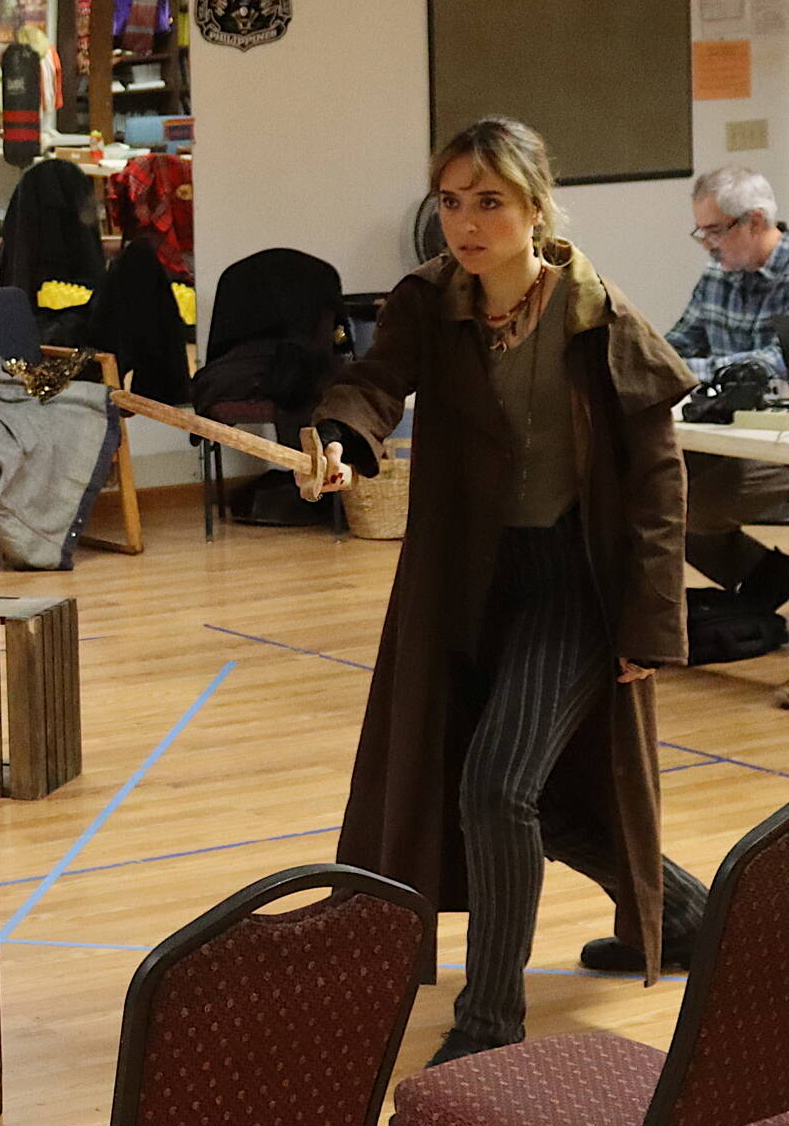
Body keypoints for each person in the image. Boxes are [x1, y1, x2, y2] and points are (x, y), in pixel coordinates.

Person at [299, 117, 710, 1068]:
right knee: (541, 800)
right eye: (451, 201)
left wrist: (651, 618)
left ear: (534, 205)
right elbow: (371, 383)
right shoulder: (429, 303)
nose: (467, 222)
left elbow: (657, 477)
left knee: (496, 786)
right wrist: (341, 440)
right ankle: (687, 915)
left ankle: (490, 1020)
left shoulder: (597, 318)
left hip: (572, 584)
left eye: (489, 201)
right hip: (466, 584)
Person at [667, 166, 789, 612]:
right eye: (701, 232)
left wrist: (696, 370)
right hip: (723, 432)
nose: (709, 244)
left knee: (687, 508)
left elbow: (774, 367)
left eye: (716, 231)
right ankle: (766, 577)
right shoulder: (717, 276)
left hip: (773, 440)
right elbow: (676, 345)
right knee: (647, 488)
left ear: (755, 221)